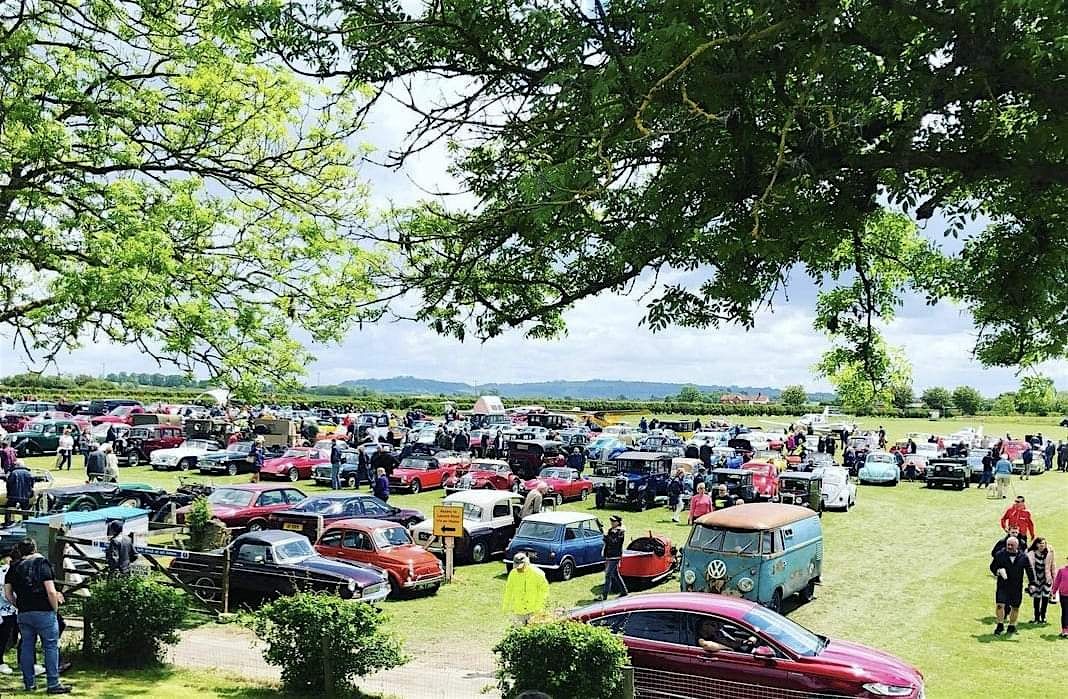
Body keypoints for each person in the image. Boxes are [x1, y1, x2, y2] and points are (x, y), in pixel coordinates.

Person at [4, 539, 70, 693]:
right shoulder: (42, 564)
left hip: (24, 612)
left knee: (27, 645)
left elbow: (7, 594)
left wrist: (17, 604)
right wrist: (54, 608)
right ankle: (53, 683)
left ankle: (29, 683)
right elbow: (51, 591)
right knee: (50, 646)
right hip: (43, 610)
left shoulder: (14, 567)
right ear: (35, 548)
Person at [990, 536, 1036, 635]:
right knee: (999, 605)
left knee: (1015, 607)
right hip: (1003, 585)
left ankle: (1012, 626)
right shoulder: (1000, 555)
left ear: (1017, 546)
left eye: (1012, 545)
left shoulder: (1023, 557)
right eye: (1008, 545)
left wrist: (1032, 583)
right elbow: (992, 566)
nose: (1009, 547)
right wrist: (997, 571)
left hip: (1016, 586)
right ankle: (1000, 625)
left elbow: (1029, 570)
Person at [501, 553, 548, 625]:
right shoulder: (513, 574)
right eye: (516, 566)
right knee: (519, 632)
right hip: (519, 609)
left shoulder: (538, 574)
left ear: (526, 564)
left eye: (520, 566)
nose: (518, 568)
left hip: (533, 610)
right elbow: (509, 590)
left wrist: (538, 606)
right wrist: (505, 606)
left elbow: (544, 591)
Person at [1027, 537, 1055, 624]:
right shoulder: (1031, 553)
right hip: (1036, 579)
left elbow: (1053, 566)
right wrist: (1031, 581)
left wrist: (1054, 578)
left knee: (1045, 597)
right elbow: (1029, 568)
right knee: (1037, 598)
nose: (1042, 545)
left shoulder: (1049, 553)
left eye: (1043, 543)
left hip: (1047, 579)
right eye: (1040, 543)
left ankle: (1043, 617)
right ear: (1036, 544)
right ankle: (1036, 617)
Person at [0, 553, 18, 675]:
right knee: (3, 637)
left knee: (5, 637)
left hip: (8, 609)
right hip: (8, 608)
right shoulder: (8, 571)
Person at [601, 515, 627, 600]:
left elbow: (614, 542)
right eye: (611, 521)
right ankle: (624, 591)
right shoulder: (611, 530)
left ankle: (604, 595)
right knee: (615, 574)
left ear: (618, 522)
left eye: (613, 521)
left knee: (608, 575)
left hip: (615, 556)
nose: (612, 523)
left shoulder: (620, 532)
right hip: (610, 555)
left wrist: (606, 537)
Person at [1052, 554, 1068, 637]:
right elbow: (1057, 581)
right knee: (1065, 612)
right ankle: (1064, 630)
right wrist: (1053, 591)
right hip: (1064, 595)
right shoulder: (1062, 571)